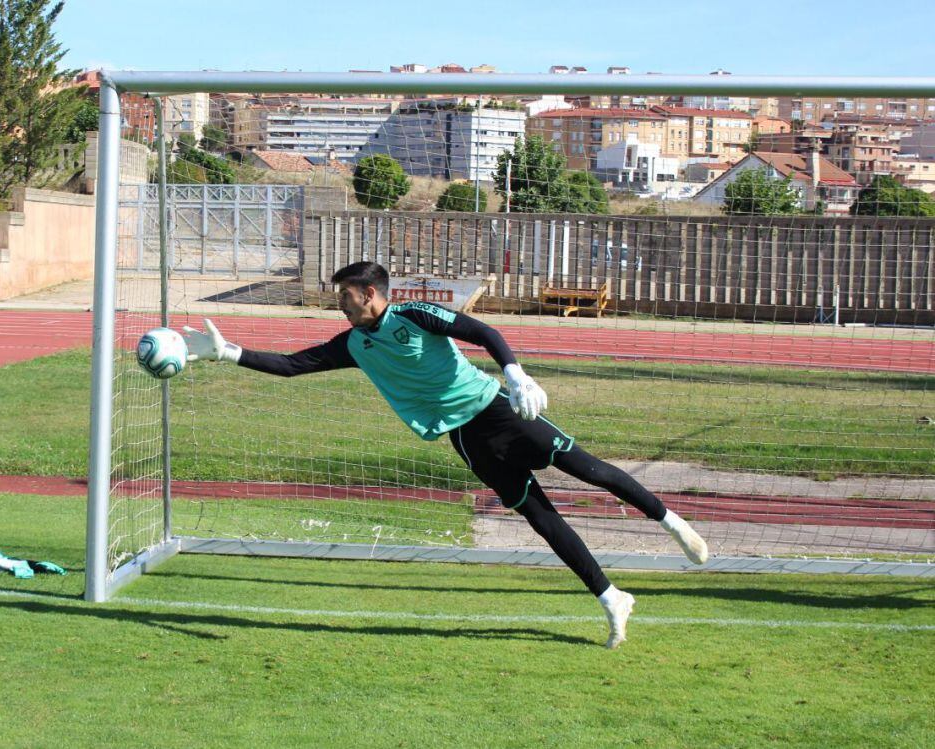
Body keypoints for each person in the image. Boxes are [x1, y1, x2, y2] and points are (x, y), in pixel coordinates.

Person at [182, 261, 708, 649]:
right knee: (540, 518)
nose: (338, 303)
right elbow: (292, 365)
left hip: (499, 410)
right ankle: (610, 596)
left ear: (369, 294)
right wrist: (230, 354)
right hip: (466, 438)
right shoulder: (354, 344)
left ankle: (670, 521)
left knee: (591, 471)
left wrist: (516, 374)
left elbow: (482, 331)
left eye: (344, 295)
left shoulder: (414, 314)